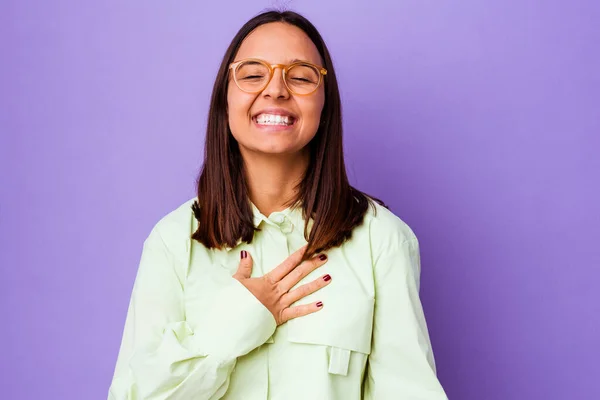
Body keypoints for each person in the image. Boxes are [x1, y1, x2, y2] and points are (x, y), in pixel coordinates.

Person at [108, 9, 448, 400]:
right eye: (253, 74)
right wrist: (235, 322)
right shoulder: (171, 242)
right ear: (225, 97)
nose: (275, 89)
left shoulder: (383, 239)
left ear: (325, 102)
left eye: (300, 76)